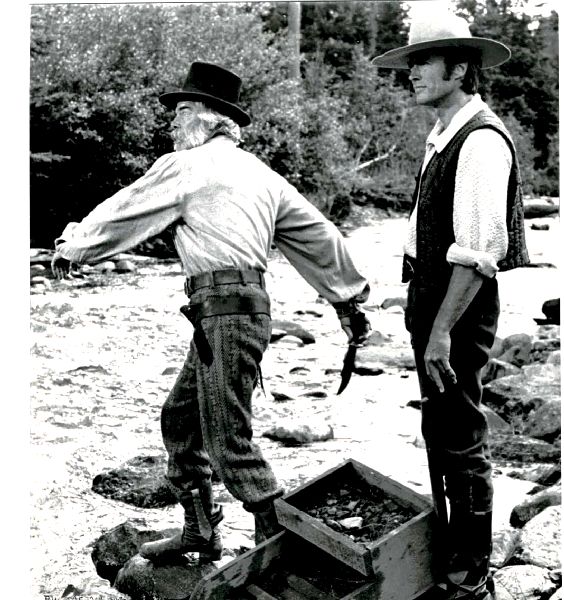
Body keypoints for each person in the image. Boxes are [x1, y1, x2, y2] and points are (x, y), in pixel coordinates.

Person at [51, 61, 371, 562]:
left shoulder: (187, 165)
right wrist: (348, 299)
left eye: (180, 111)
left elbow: (125, 208)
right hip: (236, 312)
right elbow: (320, 237)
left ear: (207, 116)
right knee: (179, 420)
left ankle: (277, 542)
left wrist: (74, 245)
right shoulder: (264, 175)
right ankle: (201, 531)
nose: (172, 123)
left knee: (227, 436)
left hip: (224, 314)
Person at [372, 13, 528, 600]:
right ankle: (453, 549)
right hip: (435, 302)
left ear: (460, 68)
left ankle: (471, 570)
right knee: (440, 425)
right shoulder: (443, 133)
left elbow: (480, 253)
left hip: (457, 307)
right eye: (410, 62)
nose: (411, 73)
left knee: (460, 429)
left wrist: (439, 331)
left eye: (423, 62)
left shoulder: (481, 140)